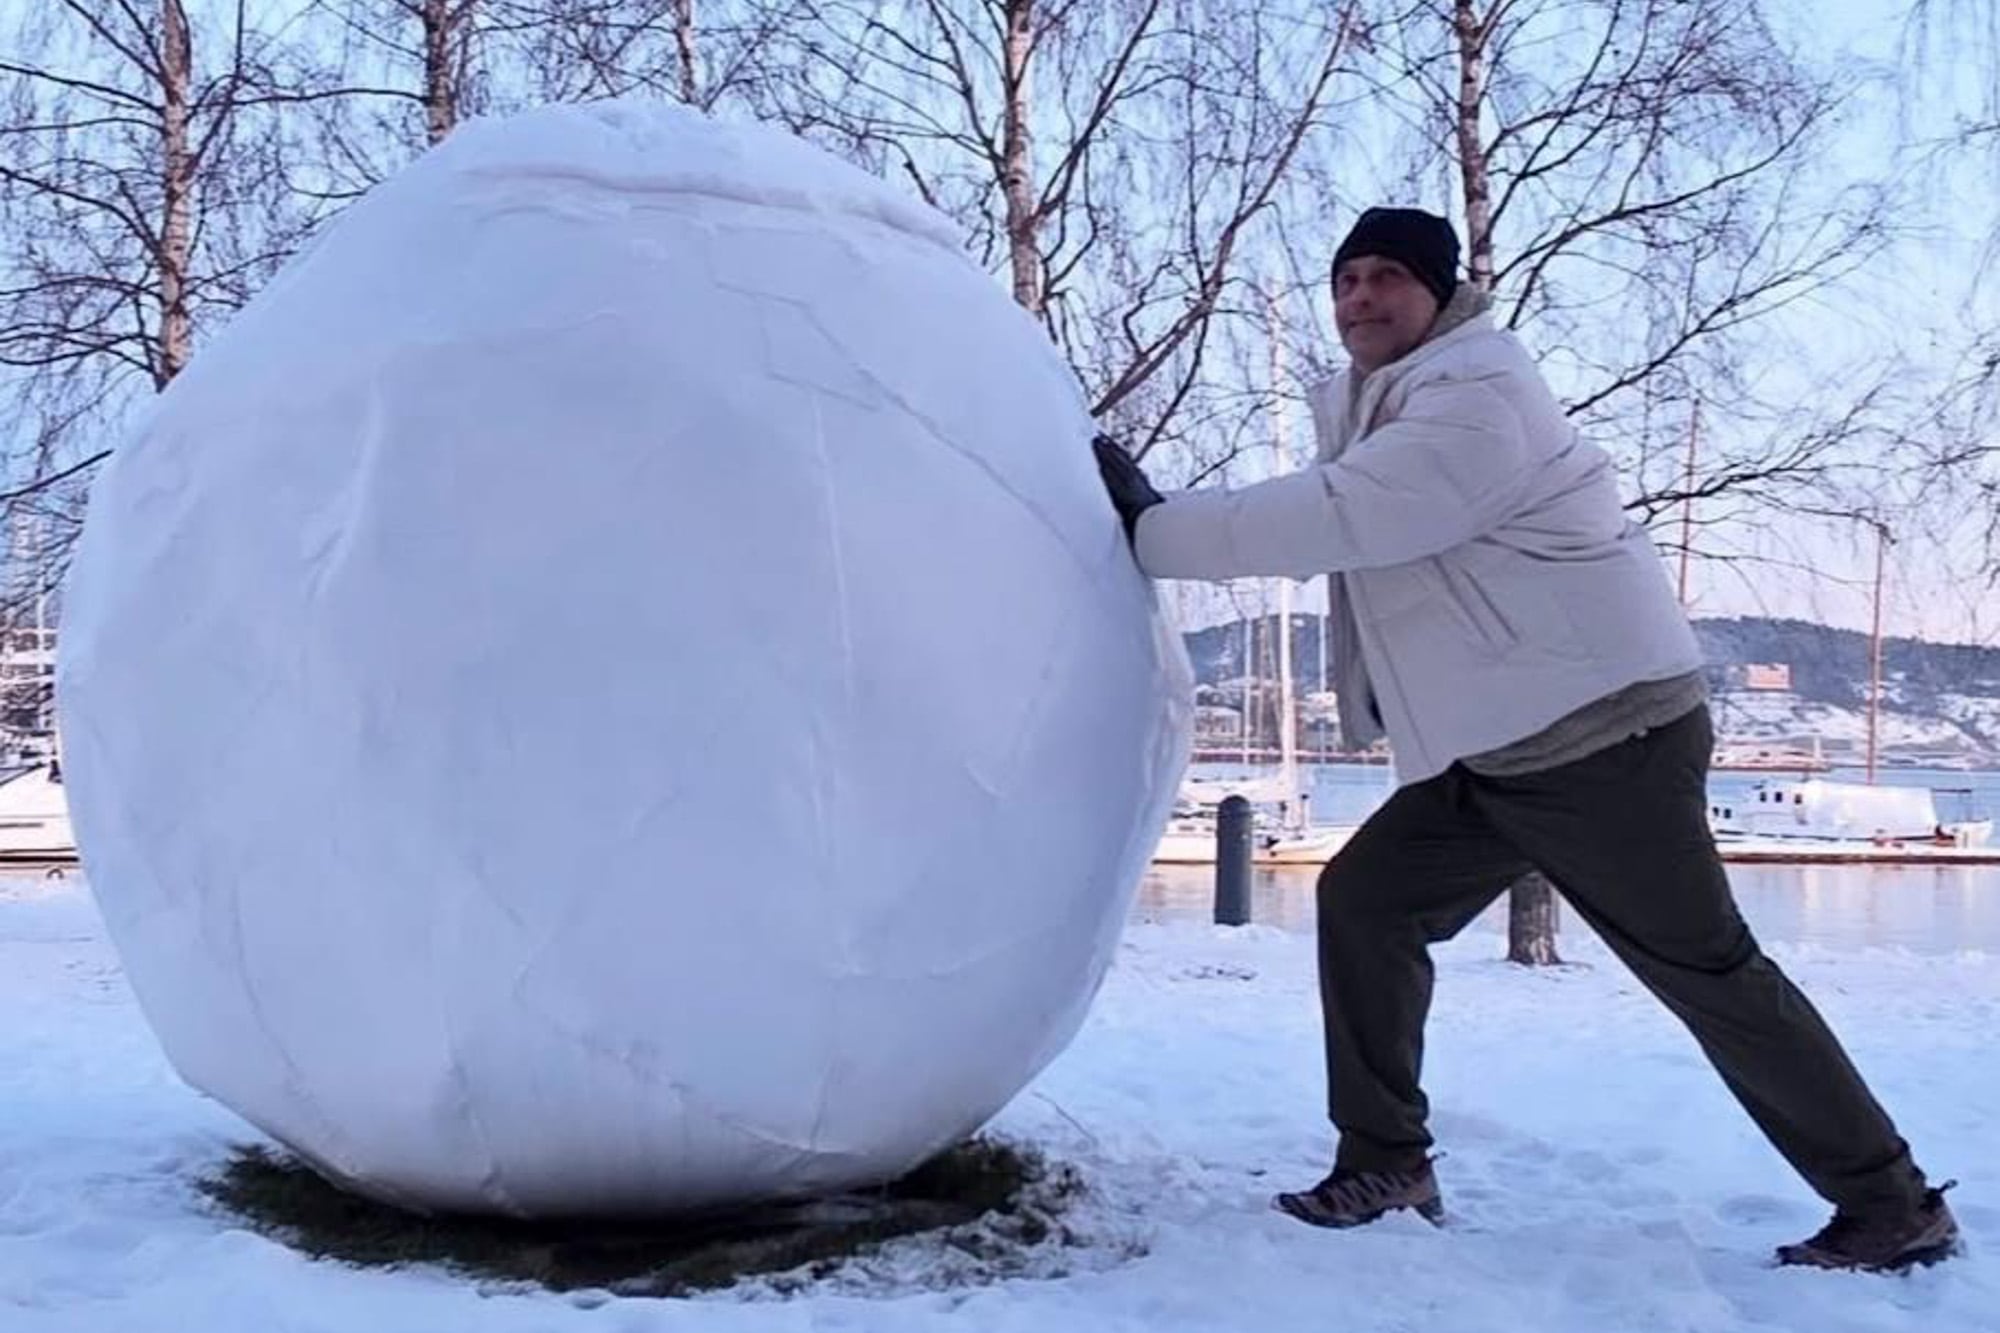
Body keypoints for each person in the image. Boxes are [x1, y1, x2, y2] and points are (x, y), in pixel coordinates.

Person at [1091, 207, 1961, 1273]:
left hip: (1602, 741)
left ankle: (1889, 1202)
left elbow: (1347, 516)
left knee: (1706, 972)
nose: (1358, 298)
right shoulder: (1383, 403)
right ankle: (1386, 1158)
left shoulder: (1475, 396)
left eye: (1385, 279)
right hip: (1497, 751)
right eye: (1345, 279)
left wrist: (1152, 527)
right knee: (1365, 902)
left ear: (1440, 294)